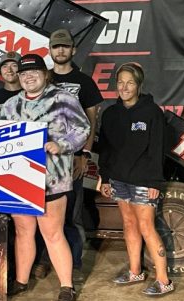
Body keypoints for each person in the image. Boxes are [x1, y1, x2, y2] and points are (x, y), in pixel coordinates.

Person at [0, 54, 90, 301]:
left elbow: (83, 128)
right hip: (19, 180)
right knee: (23, 231)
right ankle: (21, 280)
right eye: (23, 73)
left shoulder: (64, 99)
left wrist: (62, 144)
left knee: (52, 232)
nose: (28, 77)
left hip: (52, 179)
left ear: (45, 73)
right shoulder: (9, 106)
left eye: (33, 72)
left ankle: (66, 286)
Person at [98, 63, 174, 296]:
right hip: (119, 179)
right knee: (129, 224)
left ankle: (164, 280)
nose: (124, 87)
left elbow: (157, 150)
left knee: (146, 226)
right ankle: (135, 271)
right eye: (120, 82)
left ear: (139, 85)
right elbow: (106, 149)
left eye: (130, 82)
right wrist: (106, 177)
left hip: (143, 181)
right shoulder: (111, 114)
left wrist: (154, 182)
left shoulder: (152, 112)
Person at [47, 28, 103, 282]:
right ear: (50, 50)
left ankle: (76, 265)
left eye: (64, 46)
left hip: (73, 157)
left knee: (73, 213)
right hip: (45, 160)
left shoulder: (85, 82)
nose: (60, 50)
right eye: (56, 46)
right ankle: (46, 263)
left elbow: (91, 120)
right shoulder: (42, 78)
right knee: (44, 214)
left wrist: (85, 154)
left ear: (73, 50)